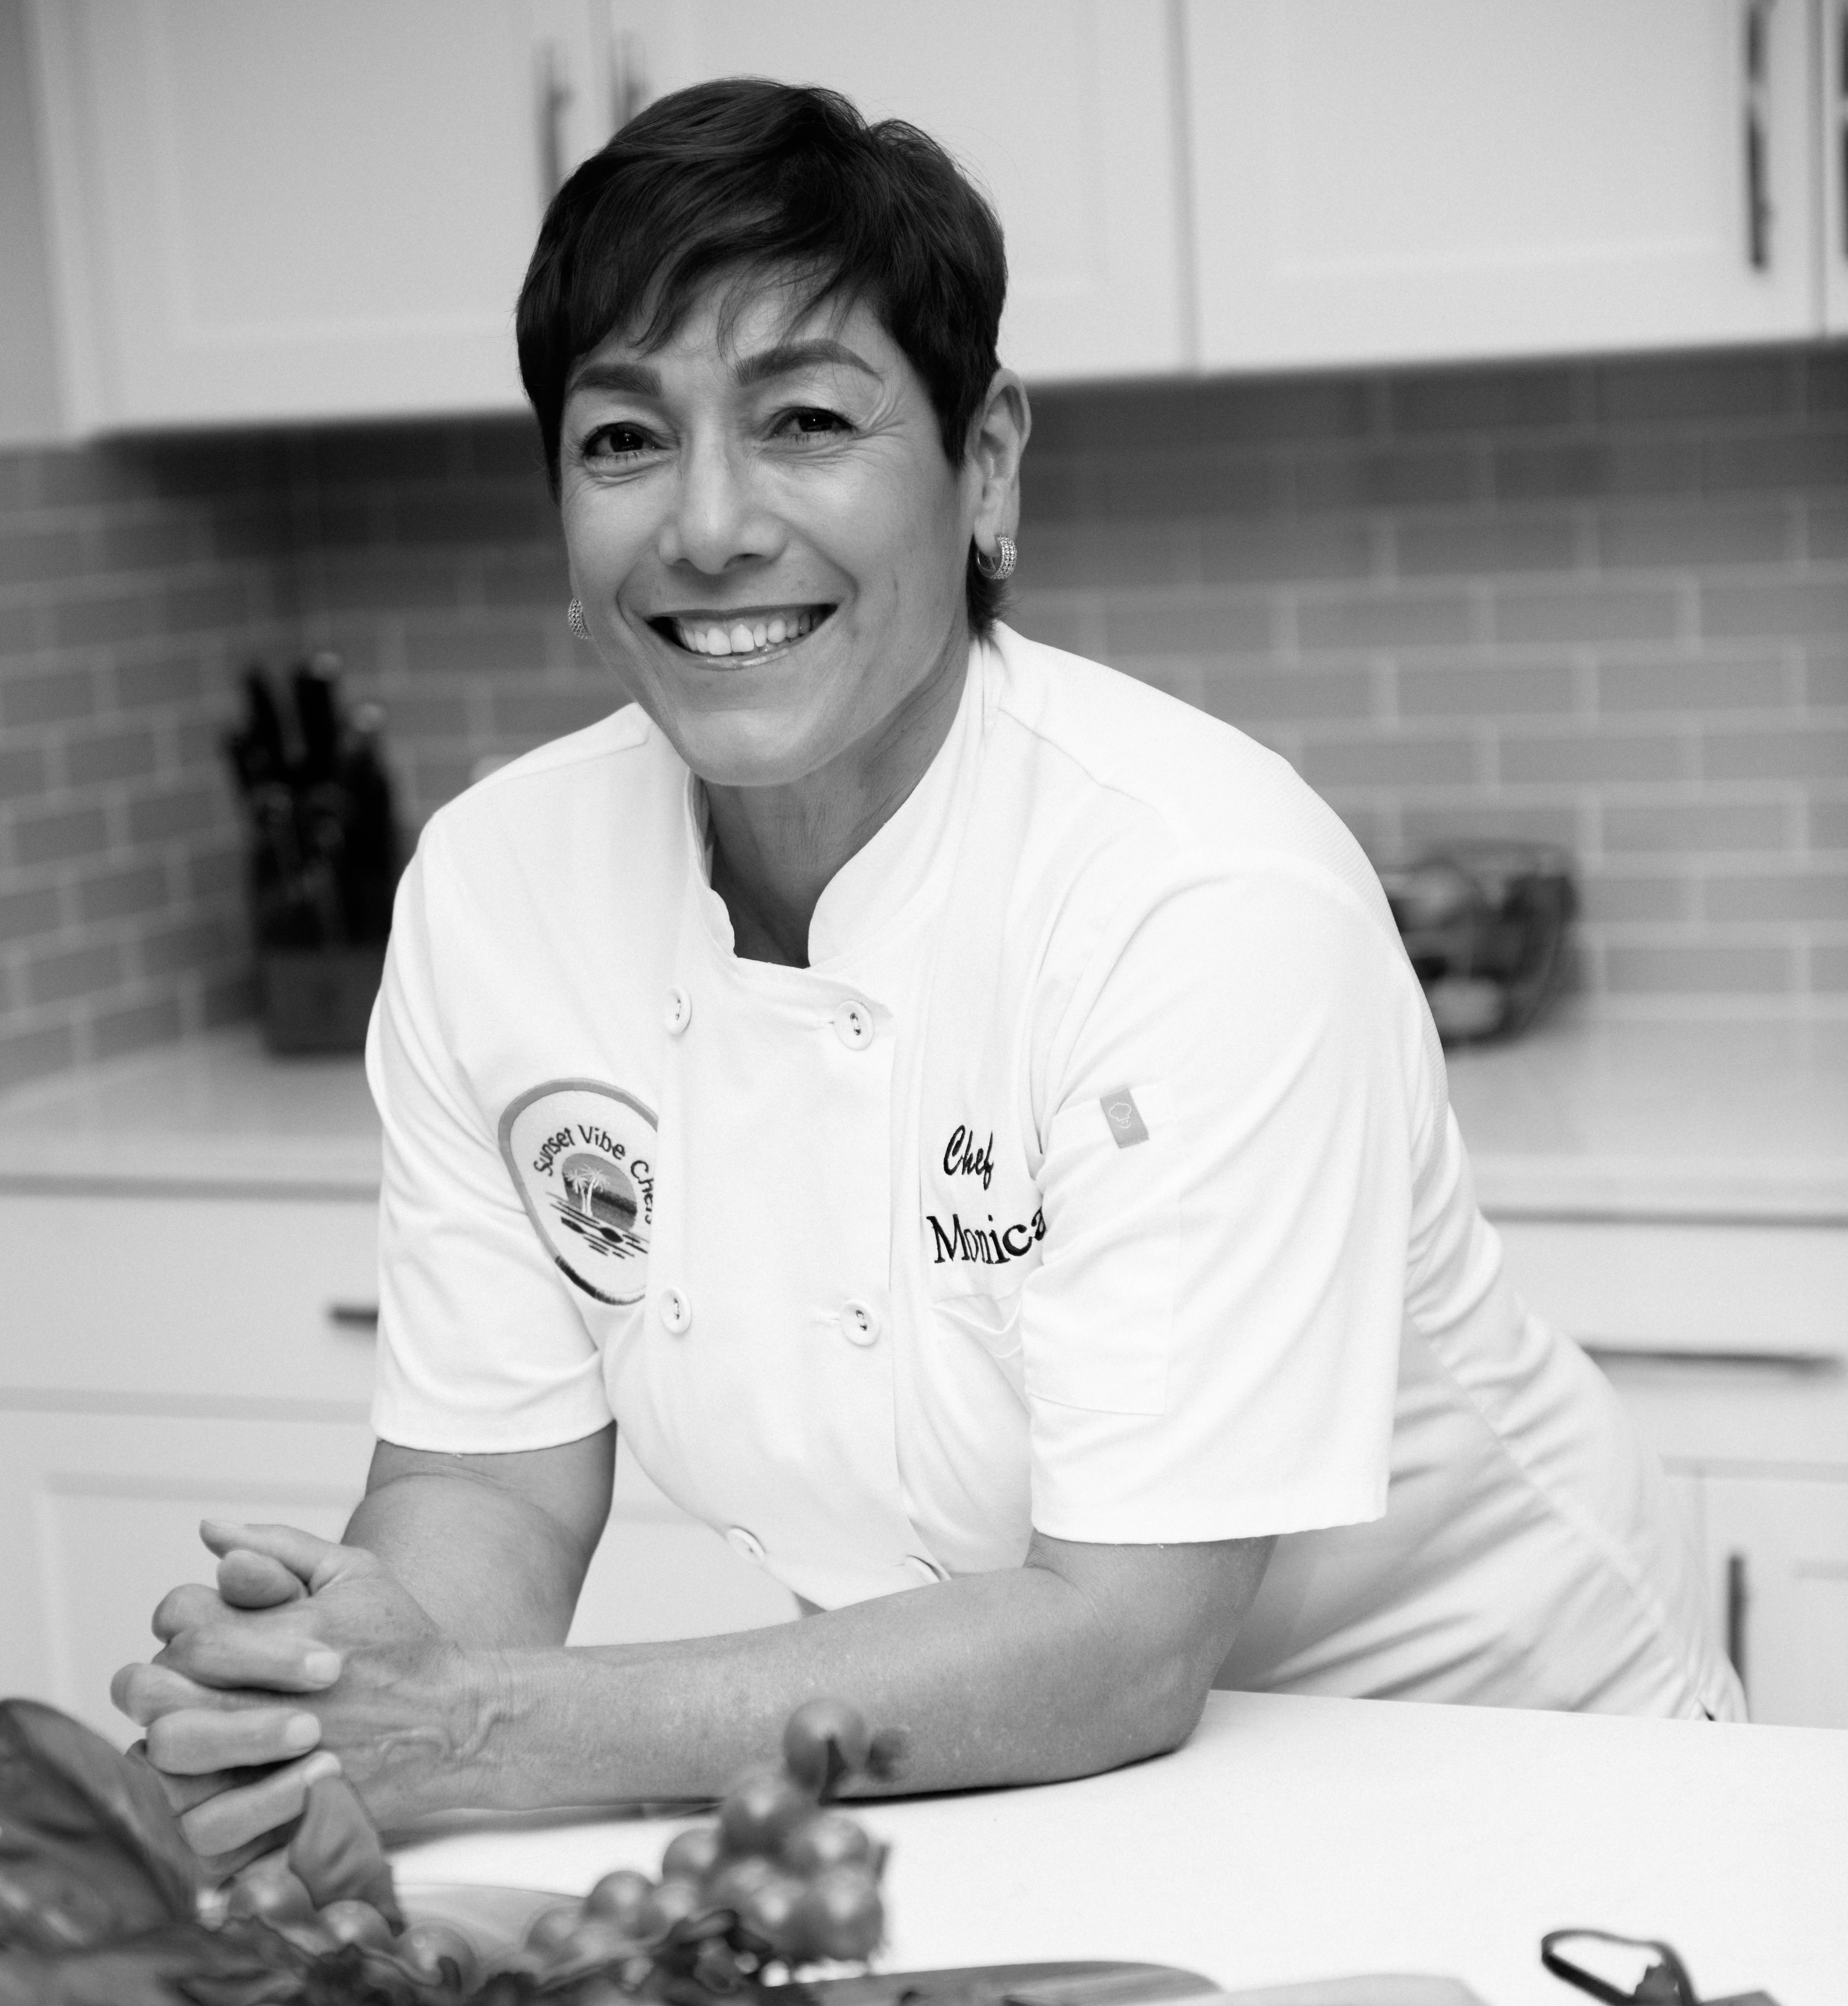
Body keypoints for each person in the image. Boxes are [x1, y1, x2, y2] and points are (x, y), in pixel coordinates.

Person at [113, 80, 1739, 1867]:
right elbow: (487, 1483)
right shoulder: (497, 892)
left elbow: (1124, 1642)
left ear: (985, 468)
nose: (709, 526)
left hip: (1517, 1776)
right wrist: (343, 1691)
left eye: (807, 420)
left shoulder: (1194, 894)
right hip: (988, 1771)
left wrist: (469, 1729)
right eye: (624, 440)